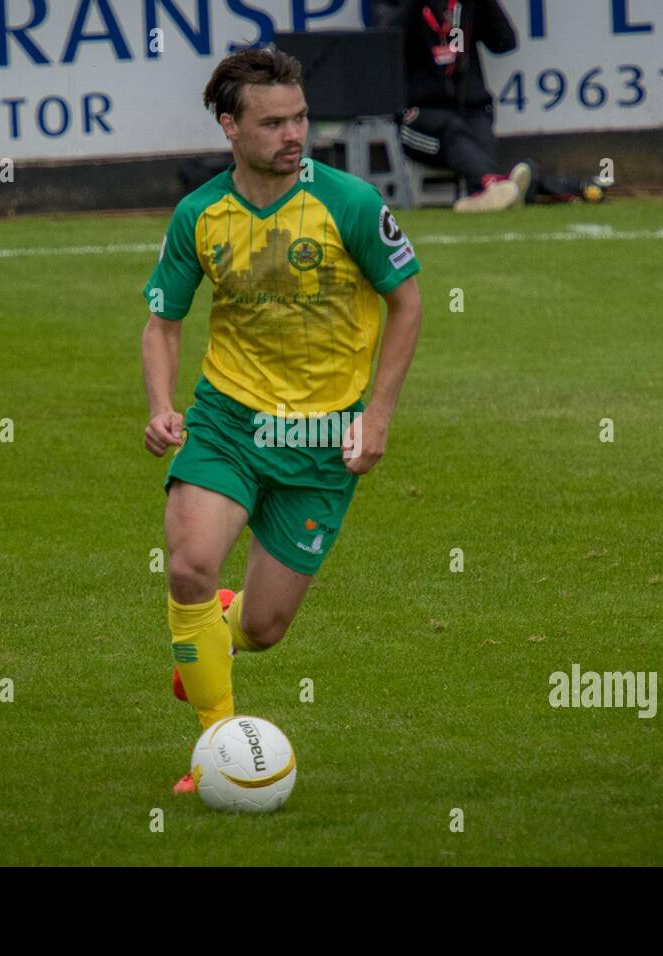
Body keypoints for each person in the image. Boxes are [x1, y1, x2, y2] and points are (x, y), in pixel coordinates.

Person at [141, 47, 424, 794]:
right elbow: (163, 321)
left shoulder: (351, 204)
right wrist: (163, 406)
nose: (293, 133)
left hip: (323, 439)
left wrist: (379, 418)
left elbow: (407, 303)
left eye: (299, 117)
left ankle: (214, 638)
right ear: (230, 126)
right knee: (189, 566)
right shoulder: (199, 215)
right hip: (229, 422)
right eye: (273, 122)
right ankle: (213, 748)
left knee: (264, 629)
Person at [371, 0, 607, 212]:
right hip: (416, 119)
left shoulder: (463, 6)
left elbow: (504, 41)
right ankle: (507, 184)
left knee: (478, 147)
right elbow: (382, 43)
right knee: (453, 131)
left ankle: (491, 190)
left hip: (470, 110)